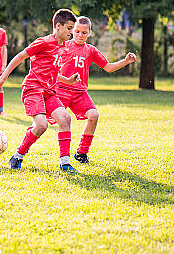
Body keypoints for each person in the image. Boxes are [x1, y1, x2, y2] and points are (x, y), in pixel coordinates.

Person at [0, 9, 81, 172]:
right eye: (69, 28)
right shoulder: (43, 42)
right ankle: (17, 156)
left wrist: (67, 80)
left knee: (65, 118)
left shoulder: (64, 48)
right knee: (41, 125)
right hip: (33, 89)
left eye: (72, 29)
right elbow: (20, 56)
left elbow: (52, 71)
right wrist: (3, 77)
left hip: (49, 92)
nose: (71, 32)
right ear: (58, 26)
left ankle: (65, 163)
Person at [56, 16, 136, 164]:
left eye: (84, 33)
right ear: (72, 30)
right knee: (44, 121)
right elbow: (51, 68)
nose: (80, 35)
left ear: (90, 33)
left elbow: (109, 67)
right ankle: (23, 149)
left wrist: (126, 61)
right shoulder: (63, 46)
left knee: (93, 115)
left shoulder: (90, 50)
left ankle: (81, 153)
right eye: (77, 31)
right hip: (61, 90)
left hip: (80, 93)